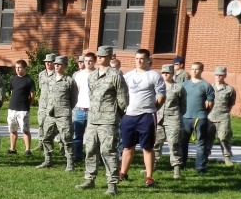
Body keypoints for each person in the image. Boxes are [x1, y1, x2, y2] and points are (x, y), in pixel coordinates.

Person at [75, 46, 127, 196]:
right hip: (93, 119)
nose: (99, 58)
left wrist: (116, 114)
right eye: (98, 56)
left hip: (109, 120)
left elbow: (123, 98)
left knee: (108, 151)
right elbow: (91, 96)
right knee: (90, 149)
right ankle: (89, 179)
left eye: (103, 56)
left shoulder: (115, 75)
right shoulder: (92, 76)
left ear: (110, 57)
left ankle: (112, 184)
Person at [119, 49, 165, 188]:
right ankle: (123, 173)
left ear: (148, 60)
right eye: (137, 58)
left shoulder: (154, 76)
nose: (139, 61)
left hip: (147, 116)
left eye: (142, 59)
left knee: (147, 147)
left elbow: (161, 97)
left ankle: (149, 177)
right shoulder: (128, 76)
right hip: (129, 116)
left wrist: (152, 109)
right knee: (127, 146)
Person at [36, 56, 77, 171]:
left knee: (67, 139)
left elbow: (74, 99)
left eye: (59, 64)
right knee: (46, 137)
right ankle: (48, 160)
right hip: (50, 113)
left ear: (65, 66)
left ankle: (70, 163)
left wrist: (64, 108)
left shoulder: (69, 81)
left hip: (63, 114)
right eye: (55, 64)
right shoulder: (50, 80)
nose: (56, 66)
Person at [180, 62, 214, 174]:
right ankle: (181, 164)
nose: (194, 71)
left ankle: (200, 167)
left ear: (201, 70)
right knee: (183, 142)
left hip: (200, 118)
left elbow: (210, 103)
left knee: (201, 143)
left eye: (197, 69)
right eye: (192, 69)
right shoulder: (184, 85)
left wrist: (203, 113)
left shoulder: (206, 85)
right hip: (185, 117)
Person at [155, 64, 186, 179]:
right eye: (163, 73)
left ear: (173, 74)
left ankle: (176, 168)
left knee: (174, 144)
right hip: (158, 119)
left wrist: (176, 115)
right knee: (155, 143)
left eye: (168, 73)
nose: (165, 75)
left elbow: (183, 106)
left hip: (173, 119)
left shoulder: (178, 88)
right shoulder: (157, 86)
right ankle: (153, 165)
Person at [207, 67, 236, 166]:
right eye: (217, 75)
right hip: (210, 116)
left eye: (221, 75)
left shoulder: (229, 89)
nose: (218, 77)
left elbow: (231, 103)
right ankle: (205, 155)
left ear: (225, 76)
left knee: (223, 137)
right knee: (208, 137)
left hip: (223, 116)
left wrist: (225, 112)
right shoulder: (209, 87)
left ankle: (227, 157)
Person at [8, 59, 36, 156]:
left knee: (25, 129)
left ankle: (27, 150)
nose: (17, 69)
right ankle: (12, 149)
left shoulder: (29, 80)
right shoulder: (13, 79)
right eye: (16, 67)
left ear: (24, 68)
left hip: (23, 109)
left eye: (19, 67)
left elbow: (32, 95)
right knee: (12, 129)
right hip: (12, 108)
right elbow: (12, 92)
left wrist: (28, 104)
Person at [73, 52, 96, 162]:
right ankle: (78, 156)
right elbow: (76, 91)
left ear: (94, 61)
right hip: (80, 109)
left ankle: (92, 157)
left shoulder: (98, 74)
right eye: (86, 61)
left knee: (93, 137)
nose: (88, 63)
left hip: (93, 110)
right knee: (78, 136)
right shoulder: (79, 75)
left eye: (90, 61)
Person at [35, 53, 56, 151]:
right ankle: (40, 142)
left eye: (50, 62)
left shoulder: (57, 75)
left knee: (55, 126)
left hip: (53, 105)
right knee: (41, 123)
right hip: (43, 104)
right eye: (46, 62)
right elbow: (40, 87)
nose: (47, 63)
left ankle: (60, 145)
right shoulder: (41, 74)